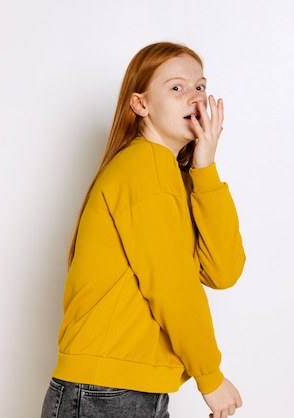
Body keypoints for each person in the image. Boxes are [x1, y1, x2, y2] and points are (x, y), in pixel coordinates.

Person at [41, 42, 245, 418]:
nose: (194, 98)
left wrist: (205, 169)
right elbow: (172, 285)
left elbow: (223, 271)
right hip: (106, 392)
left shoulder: (171, 176)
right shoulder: (142, 170)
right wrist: (210, 377)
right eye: (177, 88)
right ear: (140, 105)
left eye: (200, 87)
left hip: (129, 391)